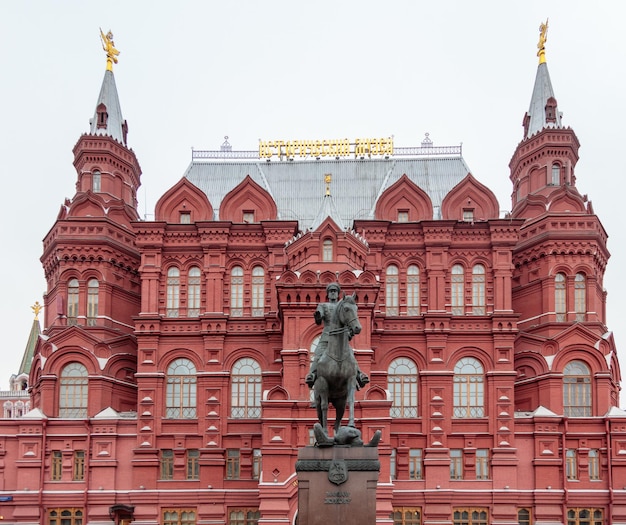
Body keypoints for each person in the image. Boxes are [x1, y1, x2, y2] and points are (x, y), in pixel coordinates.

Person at [305, 282, 369, 389]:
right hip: (327, 337)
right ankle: (312, 374)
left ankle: (359, 375)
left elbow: (348, 321)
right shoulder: (323, 305)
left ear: (338, 293)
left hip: (341, 338)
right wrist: (318, 316)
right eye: (331, 291)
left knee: (350, 355)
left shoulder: (344, 306)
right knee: (318, 354)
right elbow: (318, 320)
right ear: (328, 294)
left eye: (335, 291)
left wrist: (350, 332)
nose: (333, 293)